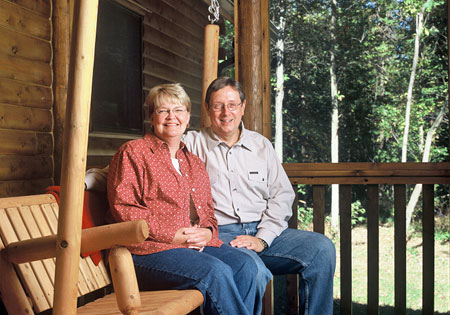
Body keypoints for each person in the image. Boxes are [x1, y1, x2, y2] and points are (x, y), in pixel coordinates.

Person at [87, 77, 336, 314]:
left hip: (252, 231)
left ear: (242, 107)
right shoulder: (175, 145)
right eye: (218, 106)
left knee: (318, 248)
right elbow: (121, 187)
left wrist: (254, 237)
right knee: (239, 269)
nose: (226, 113)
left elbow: (278, 198)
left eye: (232, 105)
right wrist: (84, 182)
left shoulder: (199, 158)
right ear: (207, 110)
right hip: (184, 241)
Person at [106, 83, 266, 315]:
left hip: (190, 247)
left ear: (188, 118)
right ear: (152, 117)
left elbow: (208, 212)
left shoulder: (192, 161)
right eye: (163, 111)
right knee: (215, 271)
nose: (172, 117)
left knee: (247, 265)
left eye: (179, 110)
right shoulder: (133, 152)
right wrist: (175, 235)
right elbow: (126, 210)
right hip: (144, 251)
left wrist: (208, 232)